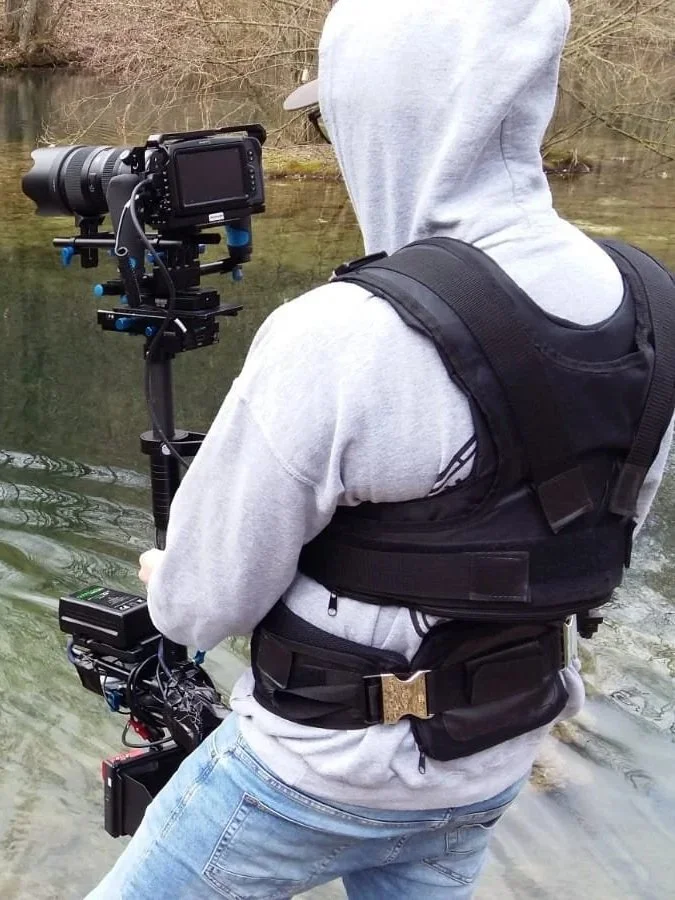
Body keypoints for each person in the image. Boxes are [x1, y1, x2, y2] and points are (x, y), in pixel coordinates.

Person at [87, 1, 675, 898]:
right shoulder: (650, 303)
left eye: (333, 116)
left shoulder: (345, 332)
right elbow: (588, 540)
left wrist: (164, 574)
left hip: (311, 779)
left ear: (388, 111)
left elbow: (203, 608)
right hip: (494, 757)